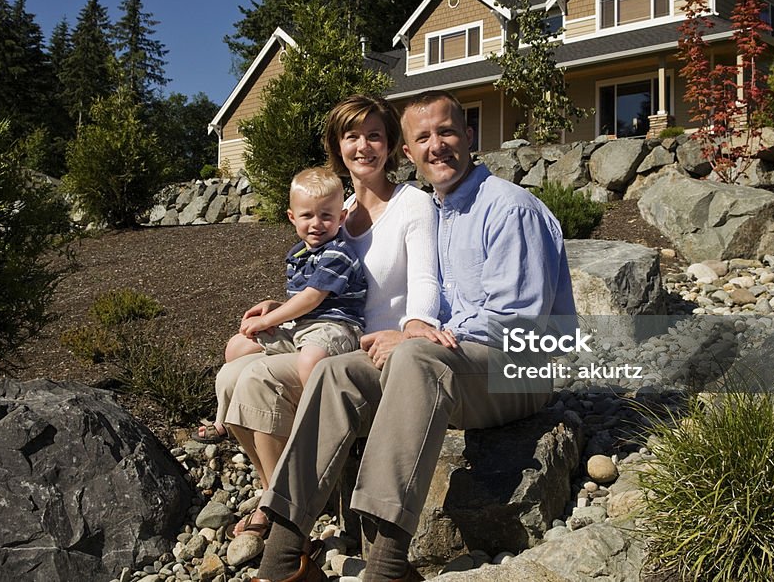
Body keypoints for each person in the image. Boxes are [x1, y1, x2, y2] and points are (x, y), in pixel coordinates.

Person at [251, 90, 576, 582]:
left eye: (446, 132)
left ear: (469, 136)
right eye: (422, 138)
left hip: (519, 369)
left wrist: (420, 336)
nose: (436, 146)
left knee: (416, 360)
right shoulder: (436, 210)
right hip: (461, 364)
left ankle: (386, 567)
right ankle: (282, 558)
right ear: (408, 153)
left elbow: (519, 323)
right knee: (338, 373)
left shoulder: (510, 209)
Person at [211, 95, 443, 541]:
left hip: (368, 348)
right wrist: (274, 309)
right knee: (230, 376)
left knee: (258, 380)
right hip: (325, 334)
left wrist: (415, 327)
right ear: (337, 146)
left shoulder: (412, 205)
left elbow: (426, 281)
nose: (363, 146)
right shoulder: (339, 211)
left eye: (374, 135)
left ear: (391, 144)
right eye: (351, 136)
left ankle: (284, 519)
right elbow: (317, 284)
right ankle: (273, 493)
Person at [224, 166, 367, 388]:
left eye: (326, 216)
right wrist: (276, 307)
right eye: (307, 215)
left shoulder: (339, 253)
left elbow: (312, 298)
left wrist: (268, 321)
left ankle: (314, 414)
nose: (316, 223)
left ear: (341, 217)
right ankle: (231, 416)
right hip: (300, 326)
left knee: (310, 360)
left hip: (334, 327)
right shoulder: (298, 254)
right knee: (237, 346)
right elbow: (301, 303)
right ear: (292, 217)